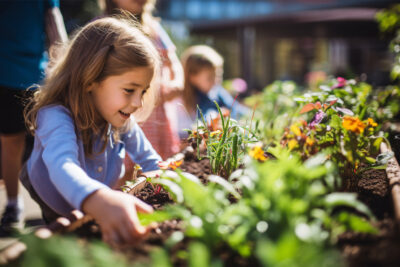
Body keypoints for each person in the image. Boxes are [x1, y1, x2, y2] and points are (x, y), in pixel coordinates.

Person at [21, 17, 161, 246]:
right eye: (129, 90)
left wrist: (166, 178)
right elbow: (62, 165)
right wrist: (98, 198)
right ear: (90, 79)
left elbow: (149, 159)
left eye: (143, 91)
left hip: (96, 187)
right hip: (52, 192)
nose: (138, 103)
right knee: (66, 235)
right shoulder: (55, 115)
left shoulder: (120, 116)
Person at [0, 0, 67, 232]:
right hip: (4, 72)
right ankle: (13, 204)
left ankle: (57, 205)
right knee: (11, 142)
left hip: (36, 76)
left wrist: (65, 64)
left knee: (48, 139)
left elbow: (53, 19)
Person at [102, 0, 184, 160]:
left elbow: (173, 60)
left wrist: (177, 83)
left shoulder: (153, 28)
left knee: (159, 166)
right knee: (125, 172)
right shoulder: (102, 28)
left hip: (158, 115)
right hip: (124, 114)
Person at [178, 45, 249, 138]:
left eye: (219, 75)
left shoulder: (217, 91)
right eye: (210, 78)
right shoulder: (185, 100)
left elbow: (235, 109)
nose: (216, 81)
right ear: (192, 77)